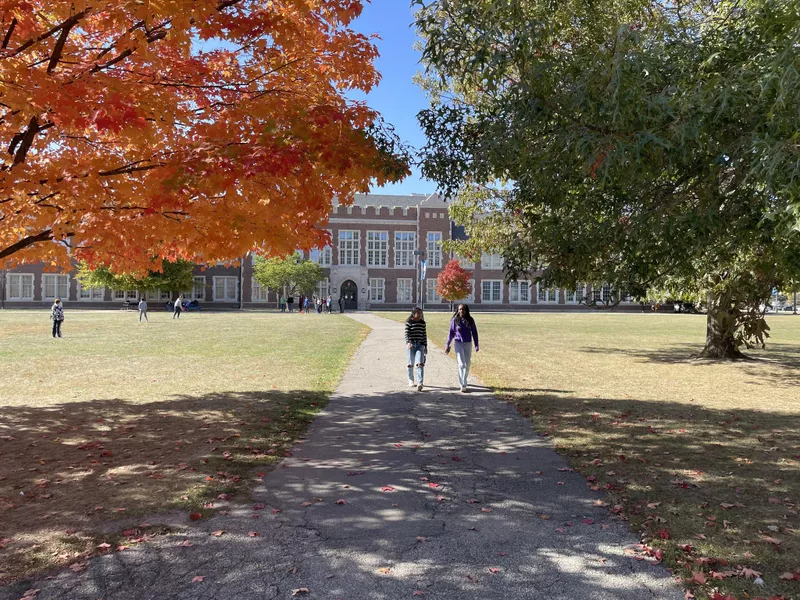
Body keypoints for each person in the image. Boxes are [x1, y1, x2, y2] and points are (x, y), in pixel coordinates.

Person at [445, 304, 479, 392]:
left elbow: (474, 333)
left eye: (463, 309)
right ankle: (463, 384)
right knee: (461, 364)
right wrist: (447, 345)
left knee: (467, 364)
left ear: (466, 310)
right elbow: (451, 333)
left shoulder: (470, 320)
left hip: (468, 343)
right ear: (458, 310)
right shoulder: (455, 320)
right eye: (460, 309)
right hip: (458, 343)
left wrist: (476, 345)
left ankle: (464, 378)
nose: (461, 311)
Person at [404, 306, 428, 391]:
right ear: (413, 314)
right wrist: (409, 342)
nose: (420, 315)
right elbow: (406, 334)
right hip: (411, 345)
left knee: (420, 363)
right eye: (418, 313)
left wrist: (425, 346)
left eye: (421, 313)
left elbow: (424, 335)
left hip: (420, 345)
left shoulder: (422, 323)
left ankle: (420, 382)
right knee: (411, 363)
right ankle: (411, 380)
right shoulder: (409, 323)